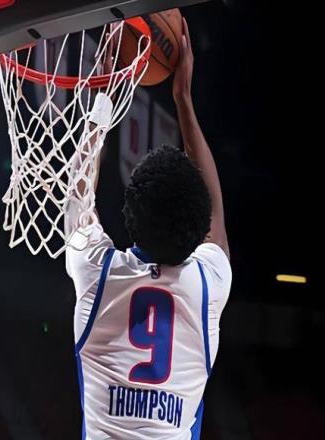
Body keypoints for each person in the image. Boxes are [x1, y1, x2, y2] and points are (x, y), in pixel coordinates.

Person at [65, 17, 231, 439]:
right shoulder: (206, 286)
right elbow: (215, 218)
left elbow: (78, 196)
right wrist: (184, 101)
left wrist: (106, 95)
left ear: (130, 213)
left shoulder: (100, 276)